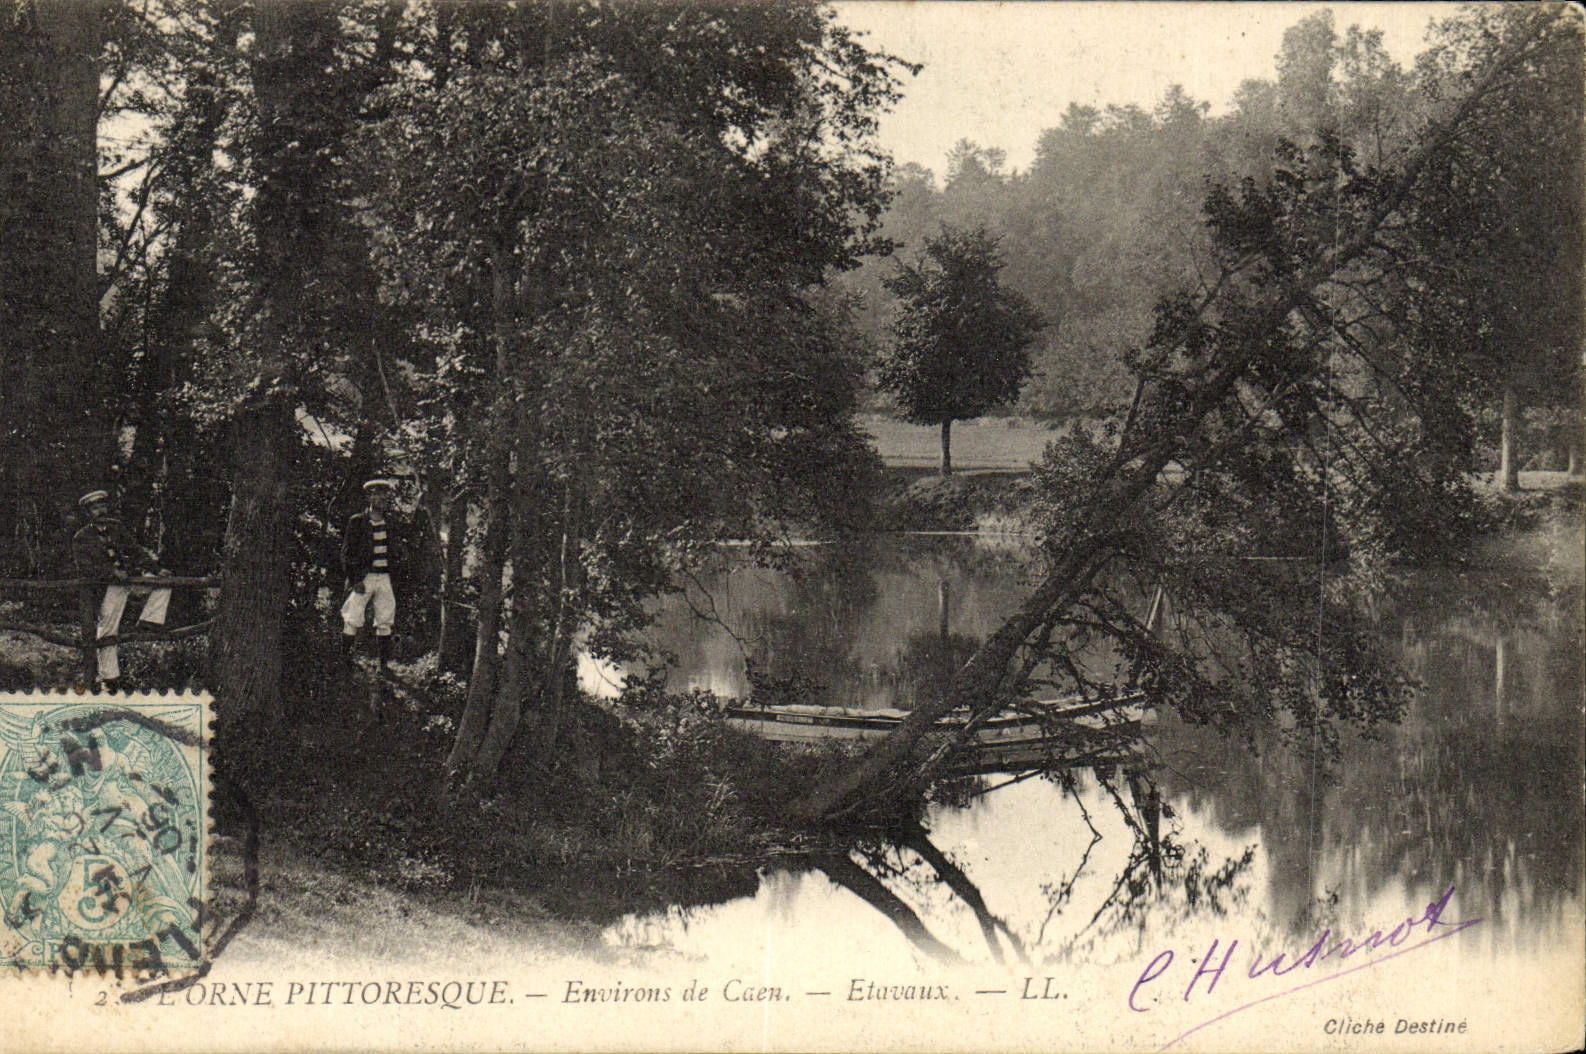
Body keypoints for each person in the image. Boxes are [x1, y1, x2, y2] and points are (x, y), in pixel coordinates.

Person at [71, 490, 171, 688]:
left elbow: (136, 551)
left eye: (103, 506)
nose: (101, 511)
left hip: (129, 580)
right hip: (105, 588)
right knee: (108, 630)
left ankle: (149, 621)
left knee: (164, 583)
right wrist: (112, 573)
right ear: (88, 513)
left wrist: (156, 569)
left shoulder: (116, 528)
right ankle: (110, 678)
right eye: (95, 508)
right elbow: (85, 568)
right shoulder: (82, 537)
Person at [340, 478, 403, 668]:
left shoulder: (391, 523)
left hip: (384, 577)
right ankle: (344, 661)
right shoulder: (358, 522)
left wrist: (394, 577)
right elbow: (347, 553)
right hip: (364, 578)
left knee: (385, 620)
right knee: (352, 617)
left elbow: (396, 553)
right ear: (369, 497)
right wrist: (355, 580)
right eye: (378, 494)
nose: (383, 498)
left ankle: (383, 665)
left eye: (385, 495)